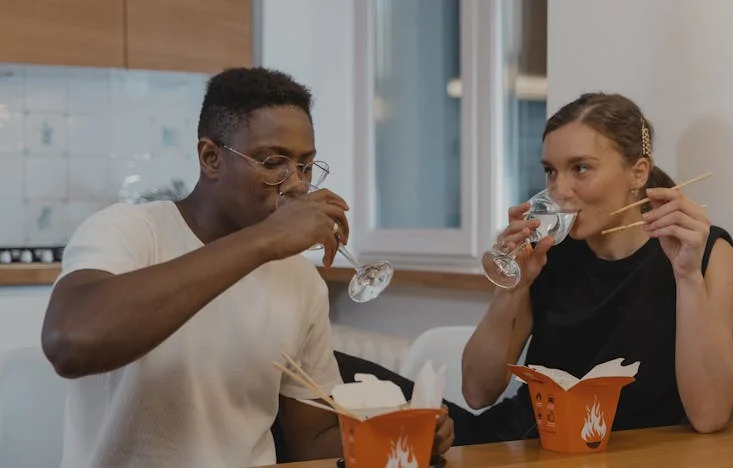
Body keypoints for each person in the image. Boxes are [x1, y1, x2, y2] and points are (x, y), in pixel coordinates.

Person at [41, 66, 453, 468]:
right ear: (210, 158)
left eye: (306, 165)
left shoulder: (300, 280)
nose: (296, 184)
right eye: (274, 162)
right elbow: (69, 342)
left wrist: (395, 436)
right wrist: (266, 240)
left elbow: (312, 440)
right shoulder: (130, 232)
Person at [460, 92, 733, 444]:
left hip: (618, 452)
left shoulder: (702, 253)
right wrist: (512, 285)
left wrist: (686, 277)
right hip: (526, 444)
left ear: (637, 173)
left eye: (580, 168)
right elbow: (476, 392)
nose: (558, 191)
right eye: (551, 171)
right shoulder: (549, 253)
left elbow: (710, 414)